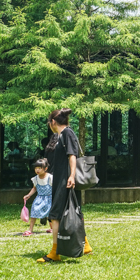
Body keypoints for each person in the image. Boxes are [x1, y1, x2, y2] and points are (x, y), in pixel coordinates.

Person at [38, 108, 92, 263]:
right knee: (73, 212)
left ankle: (55, 252)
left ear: (53, 122)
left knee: (55, 215)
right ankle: (86, 245)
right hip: (63, 180)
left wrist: (71, 176)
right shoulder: (62, 135)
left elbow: (72, 155)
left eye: (49, 121)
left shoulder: (67, 133)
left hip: (65, 181)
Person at [22, 158, 52, 236]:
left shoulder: (50, 178)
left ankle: (52, 228)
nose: (37, 170)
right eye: (36, 168)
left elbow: (55, 188)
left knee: (50, 214)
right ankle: (30, 230)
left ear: (45, 168)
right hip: (39, 198)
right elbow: (34, 188)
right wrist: (28, 195)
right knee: (34, 212)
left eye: (39, 168)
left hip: (49, 198)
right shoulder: (35, 179)